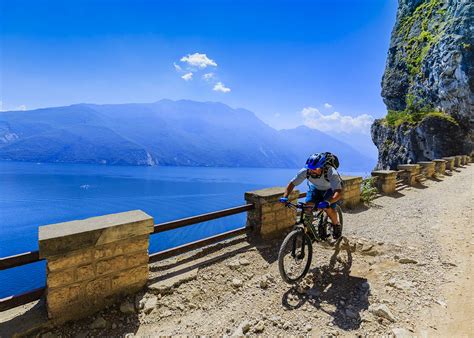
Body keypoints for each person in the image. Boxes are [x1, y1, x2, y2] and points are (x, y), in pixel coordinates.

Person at [279, 153, 343, 239]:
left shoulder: (331, 172)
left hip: (330, 190)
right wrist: (285, 196)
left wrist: (328, 202)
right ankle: (309, 232)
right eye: (310, 168)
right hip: (315, 188)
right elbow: (292, 183)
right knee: (307, 207)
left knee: (328, 208)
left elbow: (338, 192)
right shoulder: (305, 171)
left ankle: (336, 225)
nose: (312, 170)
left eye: (315, 168)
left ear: (322, 166)